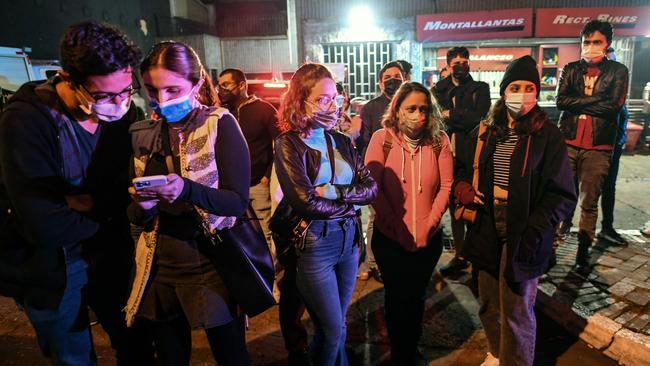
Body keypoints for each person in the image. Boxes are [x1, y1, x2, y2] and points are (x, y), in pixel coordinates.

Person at [0, 21, 154, 365]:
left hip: (112, 255)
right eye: (104, 95)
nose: (119, 104)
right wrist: (111, 207)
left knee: (138, 344)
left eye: (126, 91)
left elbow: (132, 188)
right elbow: (42, 221)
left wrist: (86, 203)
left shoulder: (127, 116)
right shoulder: (27, 120)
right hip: (53, 266)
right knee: (73, 357)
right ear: (68, 78)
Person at [124, 41, 251, 366]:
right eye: (153, 90)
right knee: (170, 356)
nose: (162, 100)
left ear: (196, 84)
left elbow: (236, 203)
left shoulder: (219, 124)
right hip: (159, 268)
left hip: (210, 264)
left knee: (231, 355)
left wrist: (186, 190)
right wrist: (145, 204)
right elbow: (135, 215)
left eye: (172, 89)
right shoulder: (141, 133)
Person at [454, 55, 576, 366]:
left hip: (524, 230)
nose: (521, 93)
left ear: (537, 93)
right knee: (489, 303)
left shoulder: (547, 136)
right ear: (504, 90)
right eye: (515, 86)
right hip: (486, 223)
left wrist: (537, 227)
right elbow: (462, 168)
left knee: (517, 308)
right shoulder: (486, 130)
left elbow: (562, 194)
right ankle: (496, 354)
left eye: (529, 87)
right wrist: (463, 188)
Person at [274, 62, 377, 366]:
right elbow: (305, 202)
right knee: (331, 330)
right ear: (299, 101)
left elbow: (370, 189)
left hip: (349, 239)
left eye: (335, 98)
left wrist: (335, 191)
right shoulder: (288, 143)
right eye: (322, 99)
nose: (332, 106)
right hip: (316, 243)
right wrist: (351, 201)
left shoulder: (342, 140)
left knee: (337, 327)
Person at [364, 82, 453, 364]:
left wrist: (429, 226)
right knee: (395, 298)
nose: (419, 116)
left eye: (424, 109)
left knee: (415, 298)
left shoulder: (439, 140)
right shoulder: (382, 139)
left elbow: (446, 187)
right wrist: (396, 229)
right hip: (389, 239)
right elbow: (372, 188)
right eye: (411, 109)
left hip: (428, 240)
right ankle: (400, 352)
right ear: (398, 109)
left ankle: (409, 350)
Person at [556, 20, 629, 267]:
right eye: (586, 42)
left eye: (596, 42)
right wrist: (597, 99)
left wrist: (581, 100)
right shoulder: (571, 68)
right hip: (568, 142)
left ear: (607, 44)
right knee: (561, 197)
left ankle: (582, 253)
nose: (590, 47)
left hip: (599, 147)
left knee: (589, 202)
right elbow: (561, 101)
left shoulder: (618, 71)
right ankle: (554, 241)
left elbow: (613, 107)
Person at [433, 46, 491, 277]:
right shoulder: (439, 90)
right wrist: (459, 117)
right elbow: (436, 119)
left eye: (463, 62)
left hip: (472, 156)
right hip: (447, 156)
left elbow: (479, 119)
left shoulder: (480, 88)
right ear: (448, 66)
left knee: (472, 204)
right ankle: (460, 254)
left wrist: (451, 115)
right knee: (452, 205)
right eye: (455, 62)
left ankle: (476, 254)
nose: (460, 66)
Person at [217, 68, 281, 267]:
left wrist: (268, 174)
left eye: (226, 85)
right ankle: (249, 279)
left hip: (258, 184)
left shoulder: (264, 109)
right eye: (220, 85)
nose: (222, 89)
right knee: (237, 235)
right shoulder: (221, 113)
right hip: (229, 190)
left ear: (242, 85)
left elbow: (280, 143)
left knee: (264, 233)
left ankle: (269, 281)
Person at [357, 60, 404, 281]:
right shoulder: (371, 108)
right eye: (388, 78)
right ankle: (373, 262)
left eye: (397, 76)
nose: (393, 80)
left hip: (404, 172)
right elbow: (362, 142)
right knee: (376, 217)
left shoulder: (407, 105)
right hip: (379, 172)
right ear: (380, 82)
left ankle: (396, 259)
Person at [597, 47, 629, 245]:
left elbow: (621, 114)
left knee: (609, 188)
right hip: (593, 144)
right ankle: (564, 227)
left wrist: (621, 139)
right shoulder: (597, 89)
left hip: (613, 145)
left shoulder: (620, 89)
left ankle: (607, 227)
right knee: (574, 188)